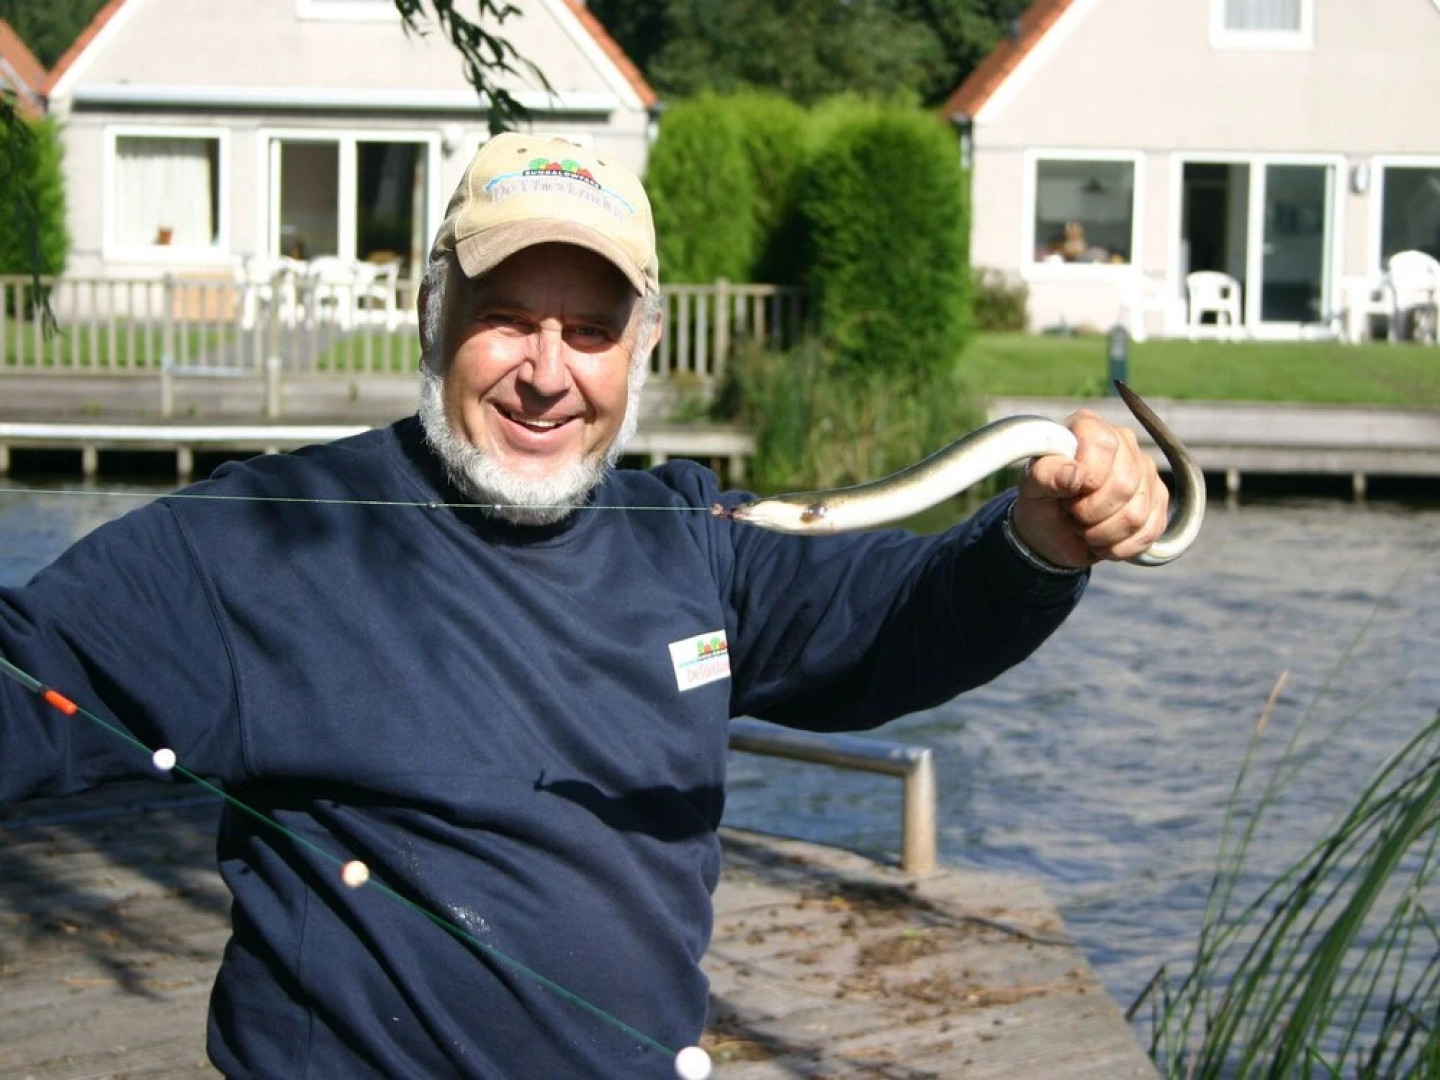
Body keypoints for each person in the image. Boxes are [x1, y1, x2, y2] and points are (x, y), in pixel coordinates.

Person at [0, 134, 1169, 1078]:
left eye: (593, 330)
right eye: (509, 314)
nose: (548, 369)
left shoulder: (699, 540)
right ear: (433, 316)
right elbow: (25, 680)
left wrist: (1035, 544)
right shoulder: (268, 536)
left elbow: (896, 622)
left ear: (641, 348)